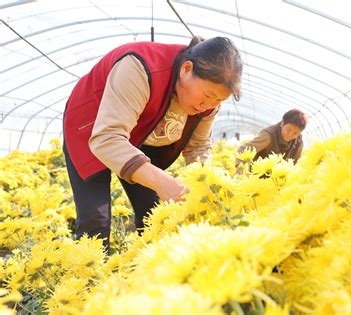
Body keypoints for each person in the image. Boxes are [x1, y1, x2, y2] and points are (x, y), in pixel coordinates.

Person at [63, 36, 242, 250]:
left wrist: (208, 189)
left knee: (154, 214)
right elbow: (107, 138)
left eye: (218, 101)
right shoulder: (139, 67)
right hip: (94, 129)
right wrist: (163, 182)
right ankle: (88, 281)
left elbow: (198, 148)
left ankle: (150, 273)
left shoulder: (209, 104)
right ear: (186, 69)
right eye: (207, 96)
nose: (208, 106)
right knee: (95, 221)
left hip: (140, 135)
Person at [237, 109, 308, 165]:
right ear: (282, 123)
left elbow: (295, 162)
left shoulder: (299, 142)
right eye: (288, 130)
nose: (290, 134)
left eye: (295, 133)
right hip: (258, 179)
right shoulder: (269, 135)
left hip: (281, 181)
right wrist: (240, 169)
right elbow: (243, 150)